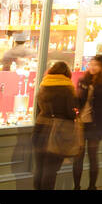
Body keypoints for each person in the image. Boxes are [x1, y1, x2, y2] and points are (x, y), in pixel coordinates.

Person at [33, 61, 77, 190]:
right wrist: (75, 115)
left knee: (40, 168)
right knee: (50, 170)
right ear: (67, 73)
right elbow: (70, 112)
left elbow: (38, 109)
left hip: (40, 128)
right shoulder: (68, 88)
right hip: (58, 132)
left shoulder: (44, 85)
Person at [73, 55, 102, 190]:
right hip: (82, 123)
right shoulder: (83, 80)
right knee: (78, 156)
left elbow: (100, 99)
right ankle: (76, 186)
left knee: (93, 156)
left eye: (96, 65)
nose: (93, 67)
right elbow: (78, 100)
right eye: (91, 64)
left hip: (96, 123)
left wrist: (90, 87)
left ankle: (92, 186)